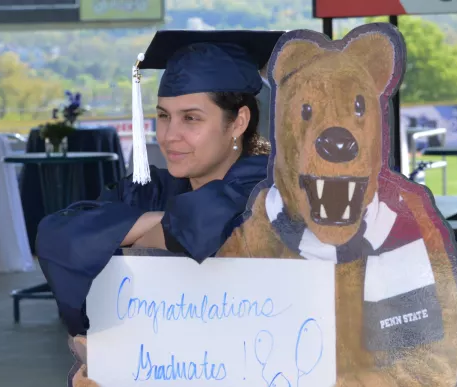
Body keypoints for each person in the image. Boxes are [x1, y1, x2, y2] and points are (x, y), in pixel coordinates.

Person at [35, 30, 284, 339]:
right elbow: (58, 236)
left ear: (238, 122)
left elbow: (210, 221)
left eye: (191, 119)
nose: (169, 136)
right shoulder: (152, 190)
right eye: (164, 116)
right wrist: (156, 222)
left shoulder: (269, 185)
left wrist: (125, 235)